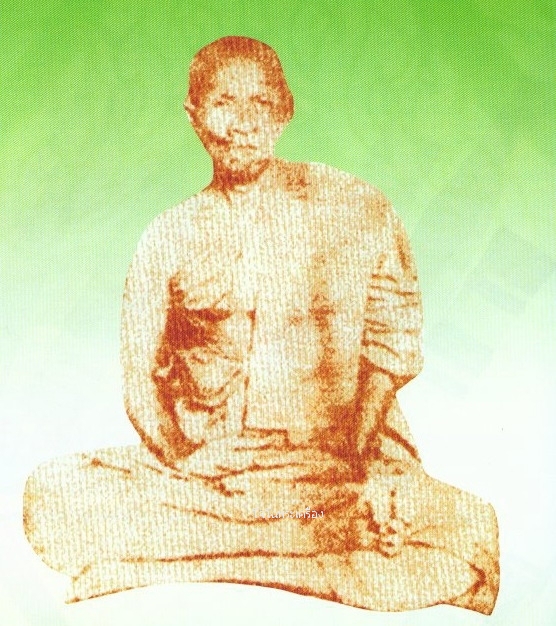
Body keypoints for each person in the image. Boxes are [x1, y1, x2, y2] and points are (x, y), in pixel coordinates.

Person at [23, 36, 499, 613]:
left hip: (335, 471)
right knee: (51, 495)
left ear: (285, 111)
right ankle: (310, 556)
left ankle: (193, 561)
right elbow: (139, 382)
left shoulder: (354, 206)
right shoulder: (169, 235)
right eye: (224, 103)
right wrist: (185, 459)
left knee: (469, 526)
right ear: (194, 115)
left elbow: (389, 344)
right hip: (209, 477)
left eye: (261, 104)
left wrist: (361, 459)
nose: (243, 124)